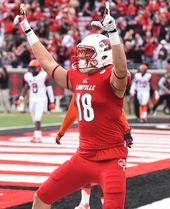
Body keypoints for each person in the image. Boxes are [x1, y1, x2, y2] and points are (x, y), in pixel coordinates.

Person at [14, 2, 130, 208]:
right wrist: (28, 30)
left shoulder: (112, 78)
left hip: (111, 159)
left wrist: (113, 33)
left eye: (88, 54)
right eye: (82, 53)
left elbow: (121, 69)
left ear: (104, 56)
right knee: (40, 198)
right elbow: (48, 64)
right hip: (83, 157)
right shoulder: (77, 75)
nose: (82, 59)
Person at [54, 95, 133, 209]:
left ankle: (93, 203)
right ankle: (85, 202)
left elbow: (117, 107)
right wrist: (126, 131)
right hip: (91, 137)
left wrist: (62, 131)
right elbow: (73, 109)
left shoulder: (91, 84)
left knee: (100, 170)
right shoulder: (83, 85)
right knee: (86, 168)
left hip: (102, 136)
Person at [17, 59, 55, 143]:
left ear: (38, 68)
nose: (31, 70)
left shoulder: (43, 75)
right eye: (31, 68)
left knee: (38, 118)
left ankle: (37, 136)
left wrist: (52, 101)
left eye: (33, 68)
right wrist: (21, 98)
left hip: (41, 99)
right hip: (32, 99)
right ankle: (38, 135)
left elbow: (49, 89)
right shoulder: (28, 76)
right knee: (34, 119)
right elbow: (26, 87)